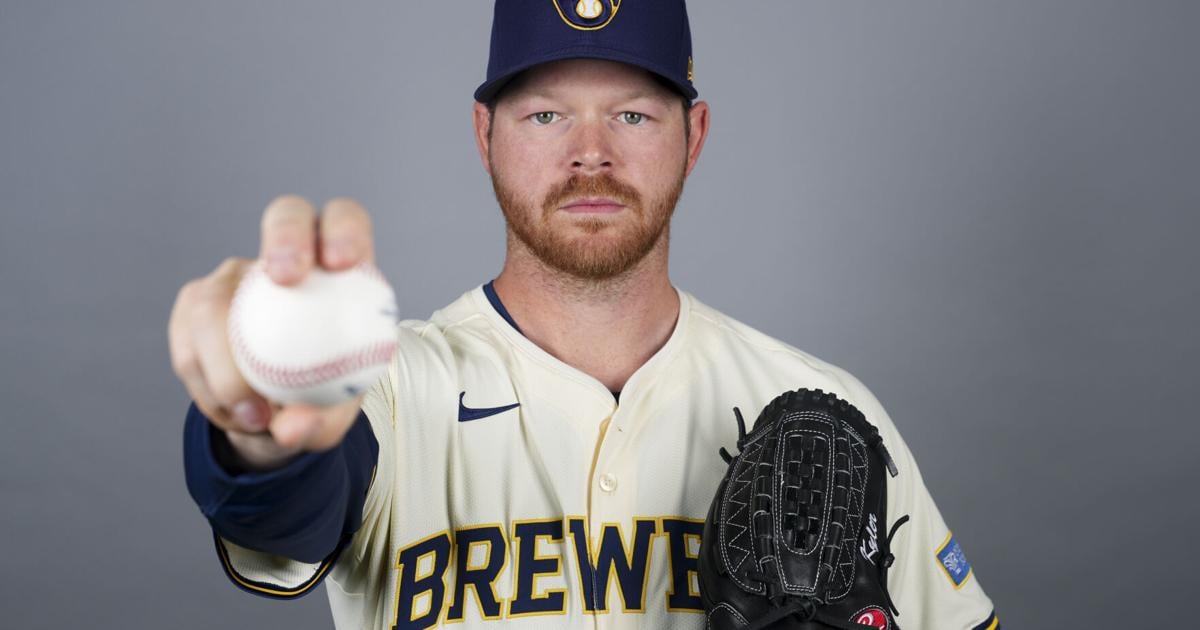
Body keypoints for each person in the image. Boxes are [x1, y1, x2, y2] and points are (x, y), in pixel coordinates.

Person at [168, 1, 998, 628]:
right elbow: (287, 503)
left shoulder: (826, 409)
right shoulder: (384, 389)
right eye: (546, 114)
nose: (591, 152)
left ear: (694, 135)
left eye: (632, 114)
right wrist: (262, 420)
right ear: (484, 134)